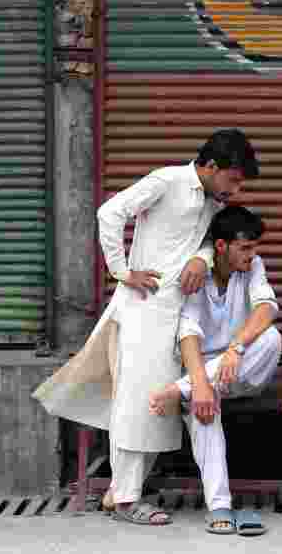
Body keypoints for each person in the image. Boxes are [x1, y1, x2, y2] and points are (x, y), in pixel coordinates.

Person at [32, 129, 259, 526]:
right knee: (136, 404)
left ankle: (123, 493)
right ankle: (125, 501)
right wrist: (122, 272)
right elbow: (110, 212)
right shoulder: (166, 181)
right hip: (142, 312)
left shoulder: (211, 202)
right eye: (234, 179)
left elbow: (209, 241)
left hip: (178, 317)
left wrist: (202, 260)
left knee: (158, 404)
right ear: (211, 166)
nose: (236, 189)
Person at [147, 205, 281, 536]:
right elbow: (188, 332)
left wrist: (236, 348)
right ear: (221, 246)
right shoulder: (197, 274)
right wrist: (201, 384)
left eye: (255, 247)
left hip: (243, 370)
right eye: (245, 247)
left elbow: (267, 308)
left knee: (273, 339)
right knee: (204, 407)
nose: (253, 254)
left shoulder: (253, 267)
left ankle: (181, 390)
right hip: (202, 373)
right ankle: (219, 505)